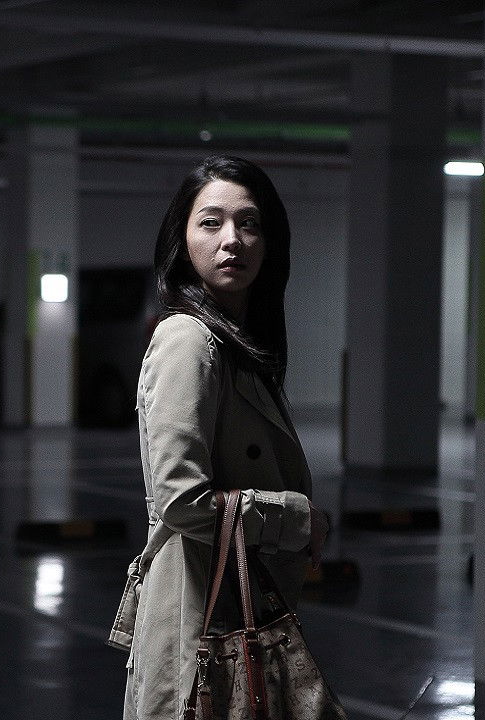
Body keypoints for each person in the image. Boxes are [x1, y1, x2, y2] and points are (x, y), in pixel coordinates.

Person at [121, 155, 330, 720]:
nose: (232, 239)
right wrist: (293, 517)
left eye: (249, 223)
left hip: (231, 612)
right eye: (210, 222)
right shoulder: (188, 340)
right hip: (197, 624)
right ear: (182, 239)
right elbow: (180, 500)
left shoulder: (234, 344)